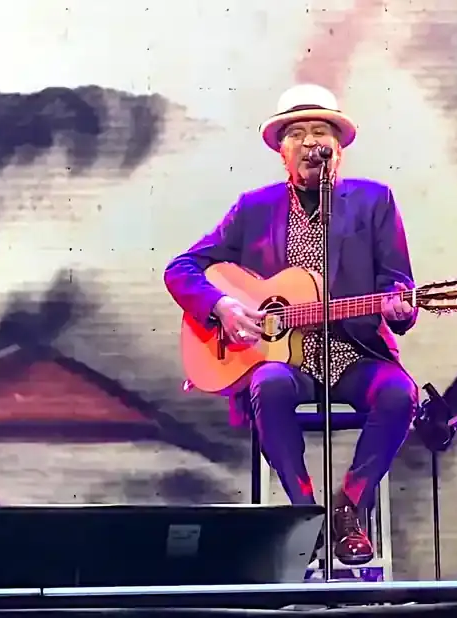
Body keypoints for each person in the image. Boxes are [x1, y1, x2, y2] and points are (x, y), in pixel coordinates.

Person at [163, 84, 420, 565]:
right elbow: (182, 268)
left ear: (337, 147)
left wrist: (401, 305)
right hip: (284, 360)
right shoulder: (254, 208)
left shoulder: (374, 202)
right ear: (282, 150)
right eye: (296, 133)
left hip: (356, 352)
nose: (308, 142)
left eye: (319, 131)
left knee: (399, 394)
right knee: (269, 382)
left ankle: (349, 507)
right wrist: (221, 306)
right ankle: (306, 510)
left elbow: (397, 281)